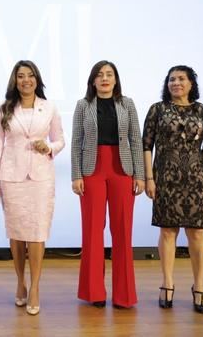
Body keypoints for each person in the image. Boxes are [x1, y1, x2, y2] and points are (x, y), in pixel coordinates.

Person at [0, 60, 65, 316]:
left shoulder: (49, 107)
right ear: (15, 80)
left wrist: (50, 147)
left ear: (37, 79)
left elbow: (60, 139)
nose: (26, 80)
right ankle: (20, 280)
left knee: (37, 232)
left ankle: (35, 287)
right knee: (17, 234)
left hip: (41, 178)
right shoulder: (4, 109)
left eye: (30, 76)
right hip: (12, 178)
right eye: (21, 76)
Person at [142, 65, 203, 314]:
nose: (176, 83)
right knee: (168, 231)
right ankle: (167, 284)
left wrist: (191, 162)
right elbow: (146, 145)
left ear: (191, 83)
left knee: (196, 233)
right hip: (164, 178)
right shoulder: (157, 109)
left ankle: (200, 286)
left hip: (195, 180)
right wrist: (150, 177)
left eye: (181, 79)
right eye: (172, 79)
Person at [71, 60, 145, 309]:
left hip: (122, 170)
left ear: (116, 79)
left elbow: (136, 139)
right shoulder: (83, 105)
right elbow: (76, 142)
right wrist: (76, 175)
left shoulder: (128, 104)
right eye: (100, 75)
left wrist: (140, 175)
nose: (104, 78)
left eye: (109, 74)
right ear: (93, 80)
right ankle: (95, 293)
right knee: (92, 231)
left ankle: (124, 295)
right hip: (92, 170)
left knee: (123, 231)